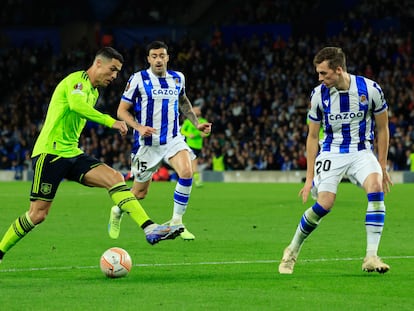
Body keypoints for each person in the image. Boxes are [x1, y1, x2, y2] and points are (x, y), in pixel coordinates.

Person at [0, 47, 184, 264]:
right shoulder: (76, 81)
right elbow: (77, 106)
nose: (115, 76)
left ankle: (150, 228)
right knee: (38, 214)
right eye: (112, 70)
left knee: (115, 178)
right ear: (98, 63)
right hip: (50, 153)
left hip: (73, 152)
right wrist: (111, 121)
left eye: (117, 72)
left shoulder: (94, 92)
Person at [278, 47, 393, 274]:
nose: (320, 78)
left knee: (376, 188)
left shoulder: (370, 89)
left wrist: (382, 165)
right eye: (318, 73)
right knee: (325, 205)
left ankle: (371, 256)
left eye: (324, 73)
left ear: (338, 70)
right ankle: (291, 250)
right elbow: (312, 137)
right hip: (332, 152)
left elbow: (383, 128)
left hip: (361, 151)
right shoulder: (318, 95)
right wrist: (309, 177)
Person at [108, 41, 212, 241]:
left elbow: (183, 101)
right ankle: (117, 211)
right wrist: (138, 127)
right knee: (139, 193)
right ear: (148, 59)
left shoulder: (177, 78)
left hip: (173, 139)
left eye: (162, 56)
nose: (158, 59)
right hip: (146, 144)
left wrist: (196, 123)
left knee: (187, 171)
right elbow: (121, 110)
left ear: (167, 58)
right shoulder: (138, 79)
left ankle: (177, 222)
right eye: (154, 56)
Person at [181, 103, 210, 187]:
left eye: (198, 110)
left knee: (192, 164)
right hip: (190, 145)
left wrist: (205, 134)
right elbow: (182, 130)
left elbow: (208, 132)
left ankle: (191, 180)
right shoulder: (188, 121)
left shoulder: (203, 121)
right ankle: (196, 181)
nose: (197, 111)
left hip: (198, 146)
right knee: (194, 164)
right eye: (195, 109)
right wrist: (189, 134)